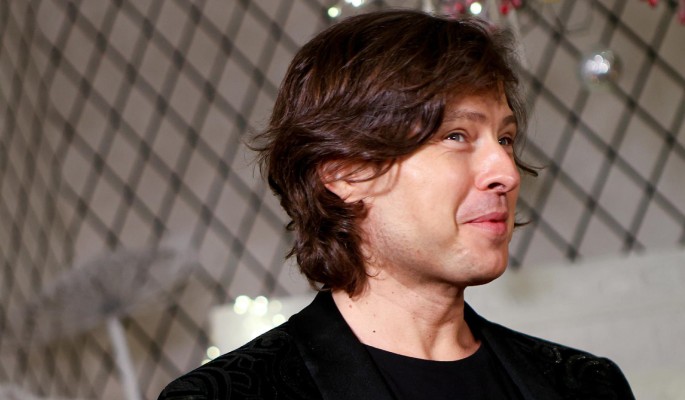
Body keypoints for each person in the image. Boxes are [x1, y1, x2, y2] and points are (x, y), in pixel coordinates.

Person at [158, 9, 634, 400]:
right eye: (456, 135)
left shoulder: (585, 386)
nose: (506, 173)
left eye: (505, 139)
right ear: (346, 173)